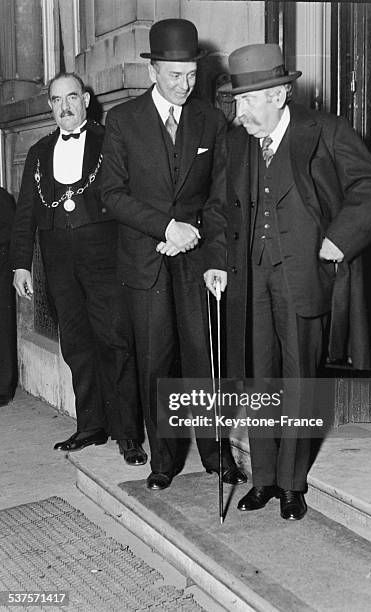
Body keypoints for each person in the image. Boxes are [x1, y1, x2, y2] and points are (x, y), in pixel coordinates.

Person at [223, 44, 371, 520]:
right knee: (260, 381)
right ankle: (266, 478)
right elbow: (220, 210)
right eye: (236, 101)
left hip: (304, 278)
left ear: (278, 95)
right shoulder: (237, 144)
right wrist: (218, 261)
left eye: (248, 101)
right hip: (251, 277)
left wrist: (341, 238)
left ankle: (293, 484)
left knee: (299, 381)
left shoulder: (326, 131)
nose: (239, 113)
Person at [101, 18, 246, 491]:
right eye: (174, 75)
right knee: (155, 361)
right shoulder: (122, 121)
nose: (185, 85)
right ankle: (162, 459)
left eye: (191, 75)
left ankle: (214, 449)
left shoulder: (212, 120)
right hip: (145, 261)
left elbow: (220, 198)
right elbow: (112, 194)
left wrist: (198, 235)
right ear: (153, 72)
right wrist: (166, 226)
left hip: (196, 259)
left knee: (203, 358)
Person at [11, 72, 146, 465]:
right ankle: (90, 425)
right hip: (58, 261)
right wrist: (21, 264)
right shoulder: (38, 151)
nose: (65, 106)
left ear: (85, 99)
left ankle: (127, 434)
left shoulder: (110, 141)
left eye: (72, 97)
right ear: (50, 105)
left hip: (105, 257)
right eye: (57, 100)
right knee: (76, 344)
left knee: (115, 342)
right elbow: (24, 215)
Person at [0, 187, 17, 406]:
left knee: (3, 329)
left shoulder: (1, 197)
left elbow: (12, 231)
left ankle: (3, 388)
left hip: (1, 270)